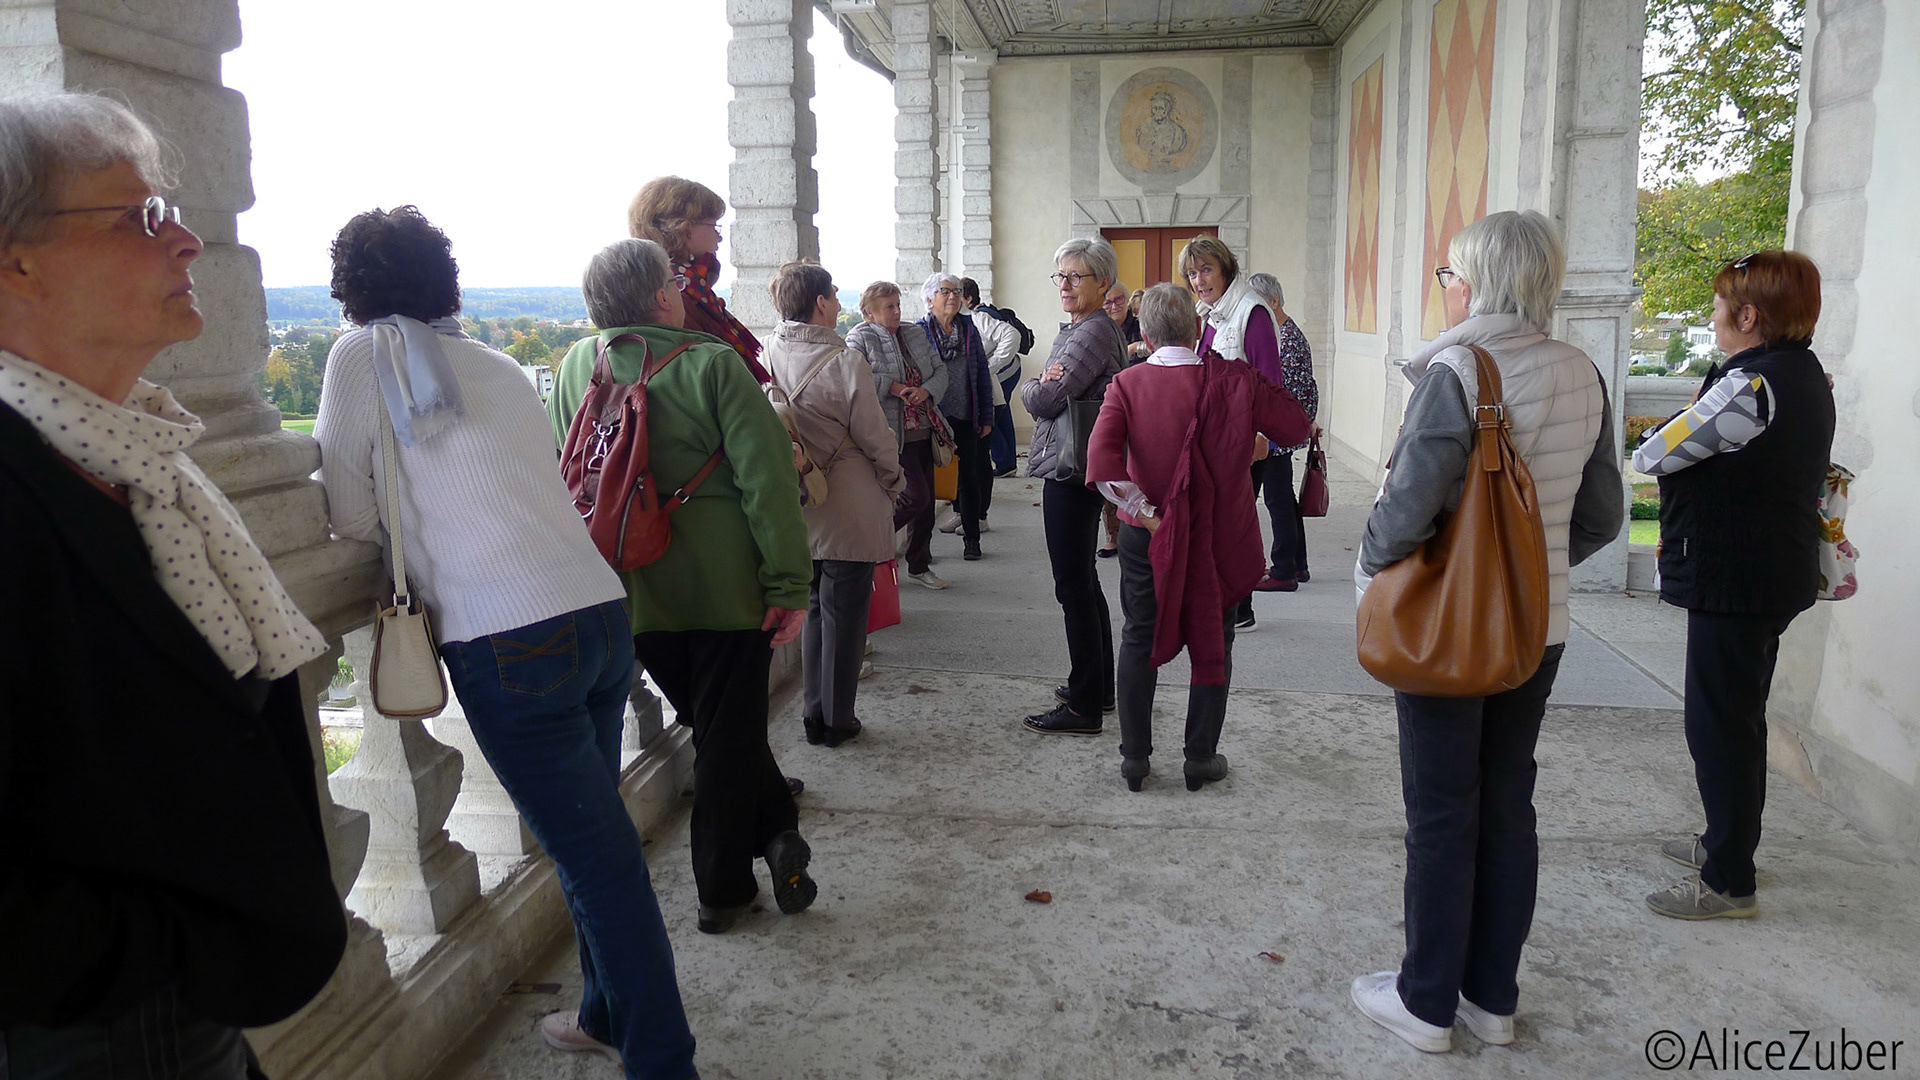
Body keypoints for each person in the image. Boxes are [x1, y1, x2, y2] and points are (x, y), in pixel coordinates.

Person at [0, 93, 347, 1076]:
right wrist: (150, 958)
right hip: (96, 1028)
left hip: (182, 1001)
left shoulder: (130, 457)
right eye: (139, 216)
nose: (187, 241)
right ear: (15, 261)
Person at [313, 208, 697, 1078]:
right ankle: (604, 1014)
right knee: (594, 844)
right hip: (597, 614)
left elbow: (348, 512)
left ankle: (664, 1061)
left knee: (599, 864)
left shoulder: (361, 355)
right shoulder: (493, 362)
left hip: (507, 638)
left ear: (352, 290)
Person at [1348, 210, 1622, 1054]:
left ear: (1474, 283)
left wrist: (1370, 572)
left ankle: (1427, 1003)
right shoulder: (1583, 371)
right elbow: (1603, 515)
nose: (1445, 288)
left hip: (1450, 630)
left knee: (1440, 811)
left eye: (1449, 274)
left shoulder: (1460, 369)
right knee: (1507, 802)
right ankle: (1491, 998)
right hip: (1541, 627)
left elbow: (1407, 511)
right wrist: (1528, 570)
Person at [548, 239, 816, 939]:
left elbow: (565, 473)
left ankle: (778, 831)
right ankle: (722, 890)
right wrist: (790, 582)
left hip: (629, 587)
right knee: (726, 740)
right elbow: (768, 484)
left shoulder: (577, 365)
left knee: (721, 728)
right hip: (725, 589)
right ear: (664, 295)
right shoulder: (713, 363)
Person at [1633, 251, 1835, 921]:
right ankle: (1726, 843)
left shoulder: (1750, 387)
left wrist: (1674, 421)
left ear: (1748, 316)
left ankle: (1728, 881)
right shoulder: (1803, 373)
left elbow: (1653, 452)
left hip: (1737, 577)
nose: (1713, 316)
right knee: (1738, 720)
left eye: (1720, 306)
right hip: (1770, 572)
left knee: (1719, 727)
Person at [1087, 284, 1310, 792]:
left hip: (1148, 537)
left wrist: (1147, 515)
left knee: (1139, 635)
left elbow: (1102, 466)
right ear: (1197, 330)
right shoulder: (1235, 380)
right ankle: (1200, 757)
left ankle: (1135, 759)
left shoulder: (1126, 384)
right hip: (1219, 534)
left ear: (1145, 336)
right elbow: (1296, 427)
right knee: (1217, 637)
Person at [764, 262, 905, 748]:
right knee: (845, 619)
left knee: (813, 610)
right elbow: (874, 436)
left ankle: (813, 714)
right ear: (820, 303)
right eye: (833, 293)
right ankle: (837, 721)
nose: (838, 299)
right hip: (847, 502)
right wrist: (894, 479)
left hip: (798, 497)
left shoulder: (765, 351)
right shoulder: (845, 361)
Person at [1020, 237, 1127, 734]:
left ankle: (1085, 706)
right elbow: (1051, 389)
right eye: (1060, 275)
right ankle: (1098, 687)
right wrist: (1044, 380)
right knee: (1083, 580)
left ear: (1102, 282)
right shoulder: (1086, 327)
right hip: (1078, 466)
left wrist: (1034, 384)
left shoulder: (1091, 332)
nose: (1064, 285)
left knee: (1073, 586)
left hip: (1070, 470)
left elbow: (1045, 400)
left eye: (1075, 276)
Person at [1181, 236, 1294, 632]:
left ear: (1226, 269)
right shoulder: (1214, 312)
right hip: (1218, 437)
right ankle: (1228, 605)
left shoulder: (1252, 311)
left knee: (1232, 524)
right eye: (1192, 273)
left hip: (1244, 438)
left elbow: (1269, 379)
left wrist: (1261, 435)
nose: (1198, 280)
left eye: (1206, 270)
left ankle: (1238, 609)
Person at [848, 281, 950, 590]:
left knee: (927, 506)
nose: (896, 311)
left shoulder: (914, 333)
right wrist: (892, 387)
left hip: (924, 430)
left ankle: (918, 566)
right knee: (915, 498)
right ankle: (866, 546)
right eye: (888, 306)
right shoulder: (859, 337)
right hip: (890, 435)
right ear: (870, 312)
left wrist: (925, 391)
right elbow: (854, 376)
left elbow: (940, 371)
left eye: (898, 304)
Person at [628, 176, 768, 384]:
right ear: (685, 230)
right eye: (714, 226)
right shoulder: (676, 295)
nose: (719, 237)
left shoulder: (689, 287)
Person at [1244, 271, 1319, 592]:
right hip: (1276, 432)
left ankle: (1284, 570)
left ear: (1274, 302)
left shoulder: (1286, 338)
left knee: (1277, 502)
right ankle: (1297, 564)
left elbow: (1281, 392)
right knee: (1283, 500)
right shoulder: (1282, 333)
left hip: (1274, 435)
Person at [918, 273, 995, 560]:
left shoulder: (968, 327)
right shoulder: (918, 332)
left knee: (969, 479)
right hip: (931, 418)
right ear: (929, 299)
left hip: (965, 416)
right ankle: (921, 551)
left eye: (957, 291)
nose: (953, 296)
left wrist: (986, 416)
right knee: (927, 484)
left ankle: (972, 540)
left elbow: (981, 373)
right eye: (945, 291)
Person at [1097, 280, 1146, 558]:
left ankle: (1140, 525)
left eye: (1119, 300)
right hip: (1109, 405)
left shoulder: (1140, 325)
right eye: (1108, 302)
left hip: (1141, 406)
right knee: (1110, 469)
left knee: (1138, 470)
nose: (1114, 306)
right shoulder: (1099, 328)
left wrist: (1137, 347)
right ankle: (1112, 534)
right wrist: (1131, 350)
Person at [962, 277, 1024, 478]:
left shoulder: (979, 317)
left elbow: (1011, 336)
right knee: (1002, 413)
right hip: (1009, 369)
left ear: (968, 299)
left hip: (1002, 372)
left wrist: (990, 367)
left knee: (990, 415)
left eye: (956, 294)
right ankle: (1007, 463)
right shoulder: (985, 312)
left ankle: (1003, 461)